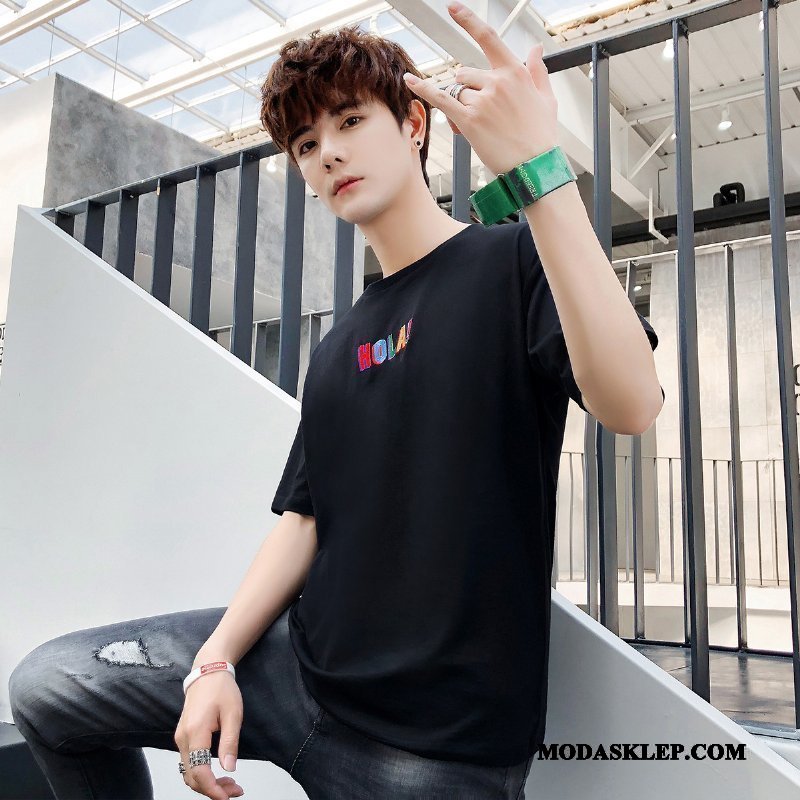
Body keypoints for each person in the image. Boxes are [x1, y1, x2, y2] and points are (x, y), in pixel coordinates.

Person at [8, 4, 662, 799]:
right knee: (48, 686)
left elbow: (632, 404)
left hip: (433, 743)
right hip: (295, 670)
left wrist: (538, 173)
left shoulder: (517, 261)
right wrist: (214, 661)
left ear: (414, 124)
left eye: (350, 121)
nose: (329, 153)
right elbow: (304, 520)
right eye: (306, 144)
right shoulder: (336, 343)